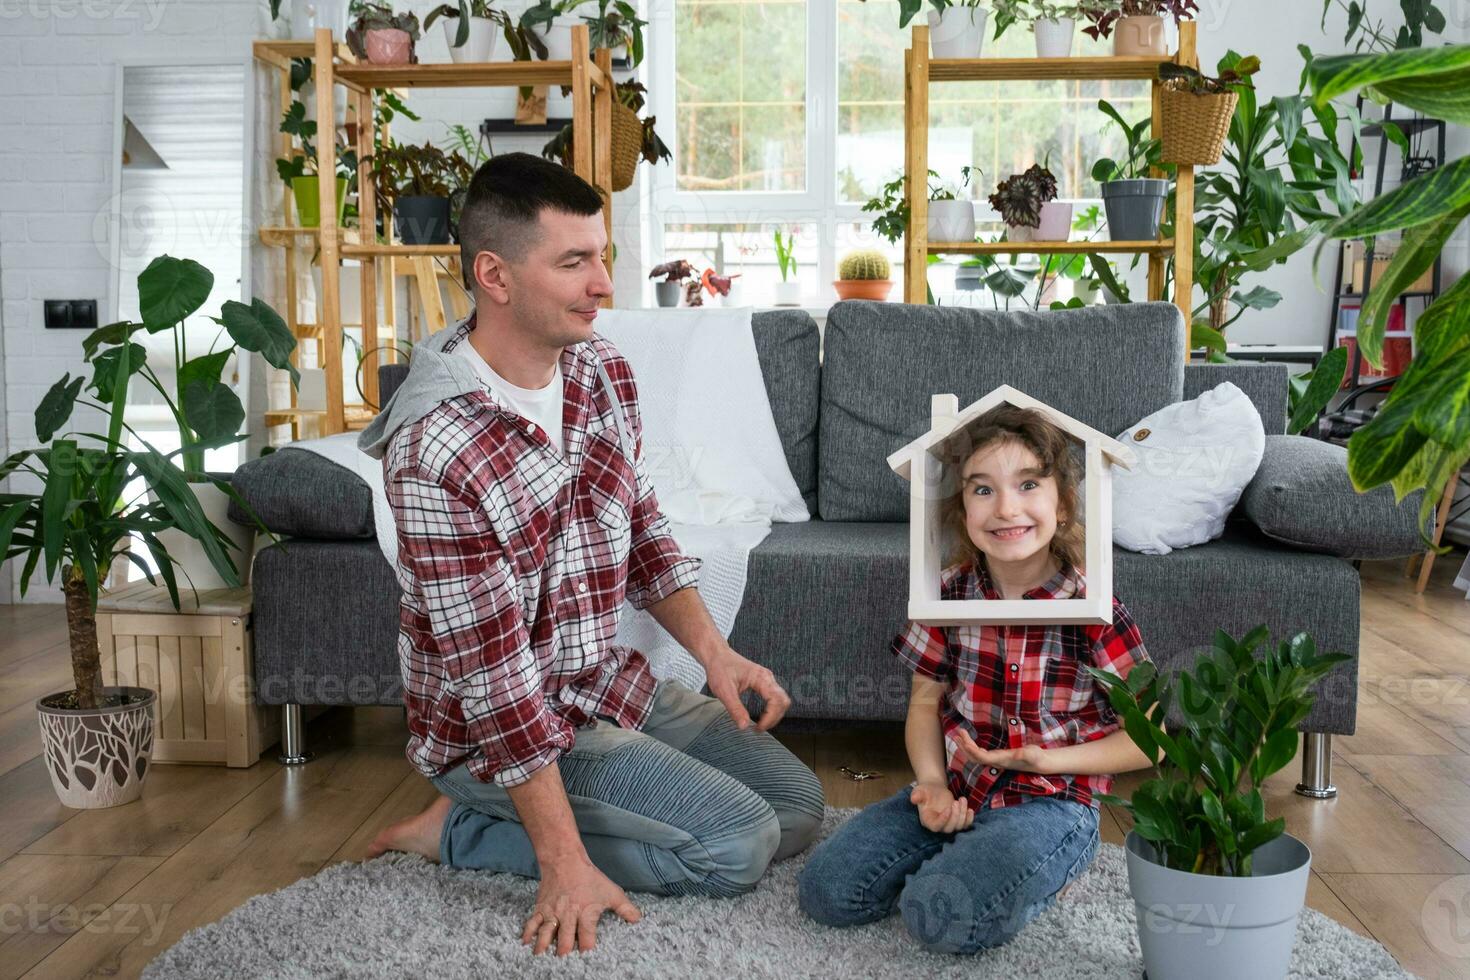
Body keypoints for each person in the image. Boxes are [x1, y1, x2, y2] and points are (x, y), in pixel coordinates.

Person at [357, 153, 825, 958]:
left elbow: (641, 528)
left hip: (596, 686)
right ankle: (465, 825)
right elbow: (497, 686)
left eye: (602, 256)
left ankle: (510, 815)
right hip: (495, 732)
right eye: (574, 263)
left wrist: (718, 657)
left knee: (798, 807)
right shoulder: (436, 448)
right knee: (735, 846)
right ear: (495, 276)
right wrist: (562, 864)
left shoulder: (599, 370)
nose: (604, 284)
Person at [797, 404, 1154, 953]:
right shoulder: (947, 595)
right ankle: (968, 851)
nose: (1006, 507)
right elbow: (923, 704)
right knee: (827, 892)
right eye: (982, 489)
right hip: (961, 788)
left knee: (937, 916)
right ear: (962, 508)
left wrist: (1047, 759)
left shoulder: (1093, 608)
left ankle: (1036, 866)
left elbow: (1146, 740)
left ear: (1061, 506)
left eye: (1029, 484)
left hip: (1051, 800)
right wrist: (934, 786)